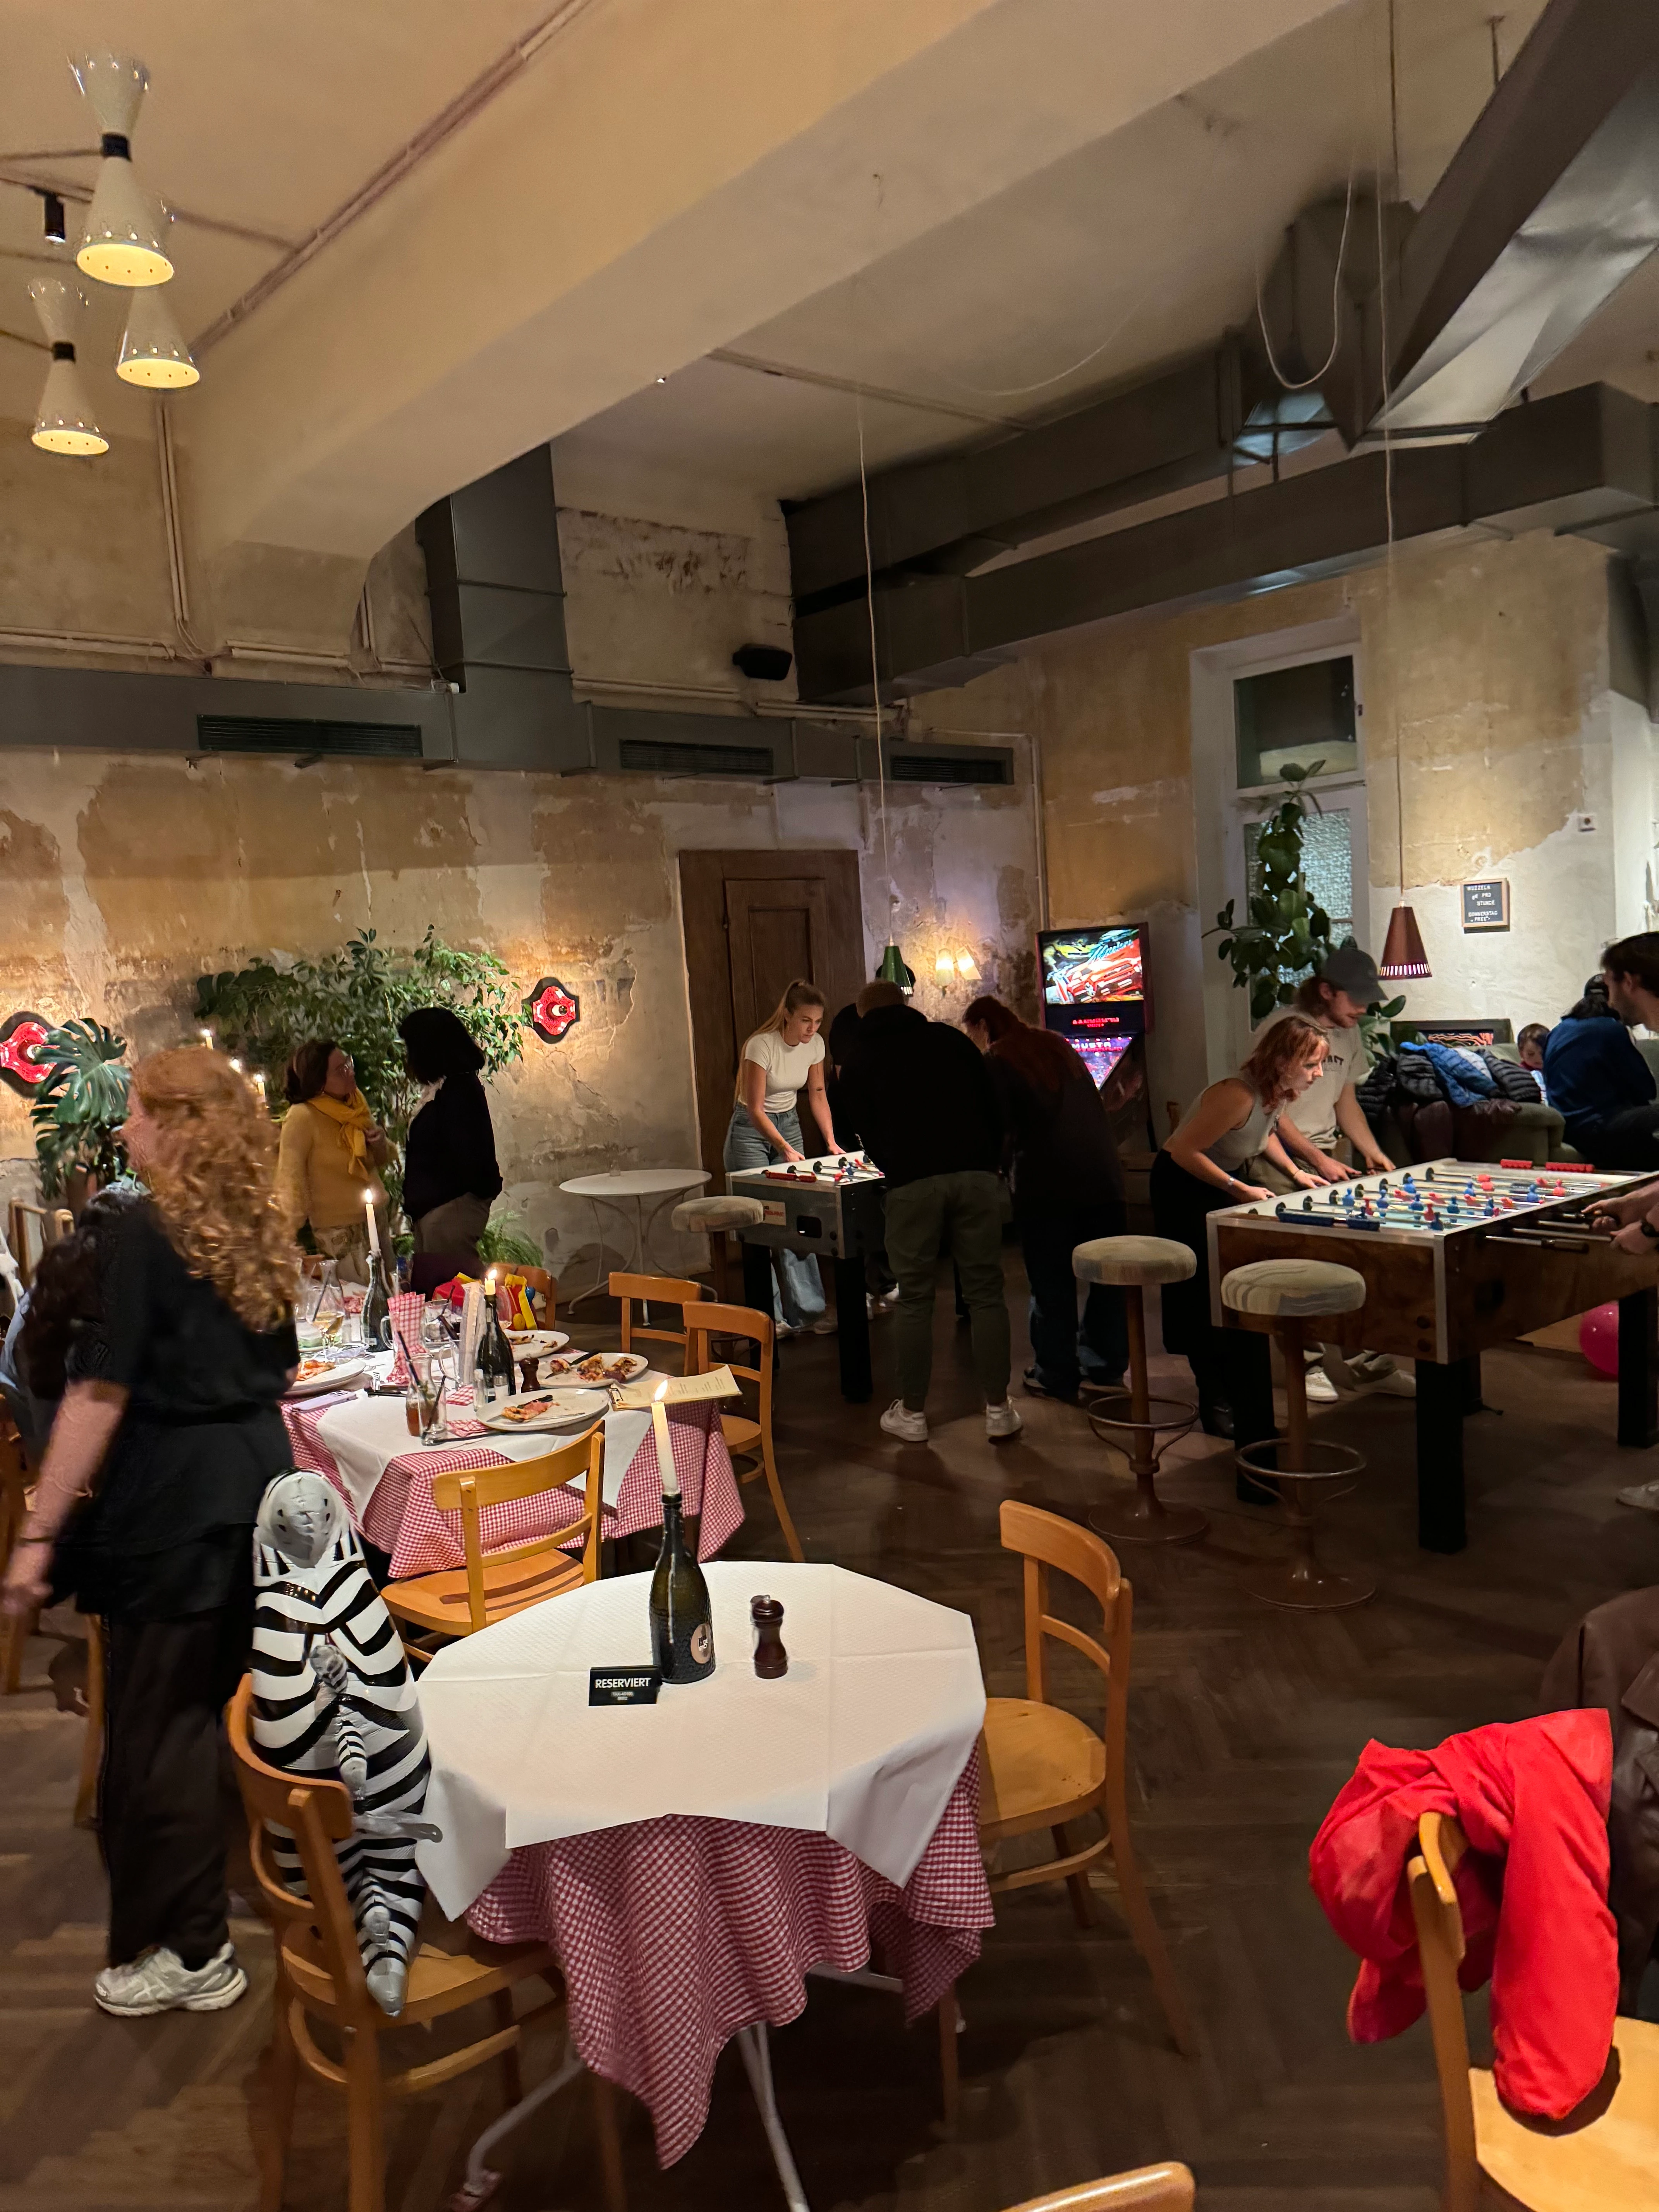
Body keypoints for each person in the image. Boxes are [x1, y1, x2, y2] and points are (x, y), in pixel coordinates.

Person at [0, 1049, 299, 2018]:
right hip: (258, 1492)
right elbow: (281, 1371)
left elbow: (98, 1389)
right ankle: (263, 1893)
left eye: (136, 1113)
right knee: (224, 1716)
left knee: (153, 1737)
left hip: (172, 1505)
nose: (124, 1131)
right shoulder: (254, 1230)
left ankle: (193, 1952)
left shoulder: (141, 1232)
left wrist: (38, 1535)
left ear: (179, 1124)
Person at [836, 981, 1020, 1444]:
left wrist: (896, 1165)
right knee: (985, 1293)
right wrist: (994, 1164)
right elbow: (997, 1105)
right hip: (977, 1175)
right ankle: (999, 1409)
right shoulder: (951, 1040)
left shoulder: (858, 1061)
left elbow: (861, 1131)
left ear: (863, 1016)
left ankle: (913, 1414)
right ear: (906, 1005)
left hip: (913, 1184)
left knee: (916, 1298)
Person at [1152, 1016, 1329, 1437]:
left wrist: (1296, 1171)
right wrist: (1238, 1187)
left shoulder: (1275, 1093)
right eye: (1311, 1065)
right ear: (1282, 1060)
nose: (1319, 1074)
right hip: (1182, 1186)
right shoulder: (1236, 1094)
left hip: (1215, 1181)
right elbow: (1182, 1151)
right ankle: (1214, 1398)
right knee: (1201, 1292)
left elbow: (1262, 1135)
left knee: (1223, 1286)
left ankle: (1231, 1392)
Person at [962, 993, 1127, 1403]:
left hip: (1049, 1185)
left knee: (1052, 1281)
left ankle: (1056, 1373)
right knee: (1108, 1279)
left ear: (982, 1027)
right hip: (1104, 1178)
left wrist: (994, 1169)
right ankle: (1105, 1365)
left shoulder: (998, 1060)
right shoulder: (1056, 1044)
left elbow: (997, 1126)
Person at [722, 980, 841, 1336]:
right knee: (758, 1219)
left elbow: (818, 1094)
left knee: (797, 1216)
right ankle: (768, 1319)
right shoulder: (761, 1046)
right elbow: (756, 1109)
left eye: (818, 1022)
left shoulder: (816, 1045)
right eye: (806, 1021)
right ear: (788, 1015)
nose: (812, 1029)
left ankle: (804, 1312)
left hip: (788, 1120)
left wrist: (831, 1142)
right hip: (750, 1127)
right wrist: (785, 1149)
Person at [1239, 945, 1393, 1190]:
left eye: (1367, 999)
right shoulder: (1286, 1028)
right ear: (1326, 991)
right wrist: (1318, 1160)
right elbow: (1269, 1107)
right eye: (1355, 998)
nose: (1363, 1009)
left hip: (1321, 1153)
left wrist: (1373, 1152)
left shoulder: (1349, 1032)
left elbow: (1346, 1103)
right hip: (1275, 1156)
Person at [274, 1038, 390, 1281]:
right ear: (318, 1082)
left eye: (349, 1063)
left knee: (391, 1297)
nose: (350, 1072)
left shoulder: (354, 1101)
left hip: (375, 1219)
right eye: (341, 1070)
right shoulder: (302, 1117)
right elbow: (290, 1182)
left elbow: (379, 1161)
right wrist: (283, 1238)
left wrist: (379, 1144)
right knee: (358, 1302)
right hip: (340, 1232)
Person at [398, 1007, 502, 1264]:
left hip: (449, 1213)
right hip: (437, 1212)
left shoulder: (459, 1092)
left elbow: (471, 1160)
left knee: (452, 1294)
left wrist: (449, 1208)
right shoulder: (444, 1089)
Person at [1543, 941, 1659, 1168]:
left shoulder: (1557, 1031)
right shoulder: (1611, 1029)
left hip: (1569, 1128)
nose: (1614, 1001)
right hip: (1602, 1128)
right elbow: (1646, 1088)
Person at [1518, 1022, 1551, 1100]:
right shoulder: (1521, 1072)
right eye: (1531, 1054)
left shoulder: (1554, 1068)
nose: (1538, 1058)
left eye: (1543, 1053)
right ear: (1522, 1054)